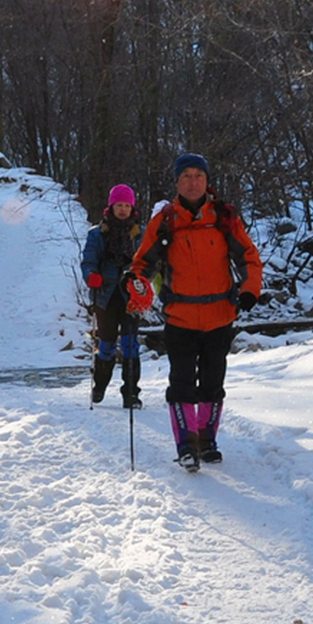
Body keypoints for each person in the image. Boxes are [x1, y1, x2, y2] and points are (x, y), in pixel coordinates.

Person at [129, 152, 263, 470]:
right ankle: (186, 444)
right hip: (180, 318)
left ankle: (207, 440)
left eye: (198, 176)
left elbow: (249, 257)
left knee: (213, 382)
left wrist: (249, 291)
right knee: (182, 383)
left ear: (207, 181)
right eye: (186, 176)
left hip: (220, 316)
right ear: (177, 182)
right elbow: (143, 265)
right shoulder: (164, 222)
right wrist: (135, 287)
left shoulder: (224, 218)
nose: (193, 182)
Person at [78, 184, 146, 408]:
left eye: (127, 205)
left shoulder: (140, 234)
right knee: (106, 346)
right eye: (120, 205)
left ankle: (131, 394)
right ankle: (100, 385)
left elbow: (148, 263)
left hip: (132, 296)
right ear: (112, 206)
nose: (123, 209)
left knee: (130, 345)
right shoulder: (97, 234)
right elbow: (88, 261)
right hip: (105, 295)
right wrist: (92, 276)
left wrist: (142, 280)